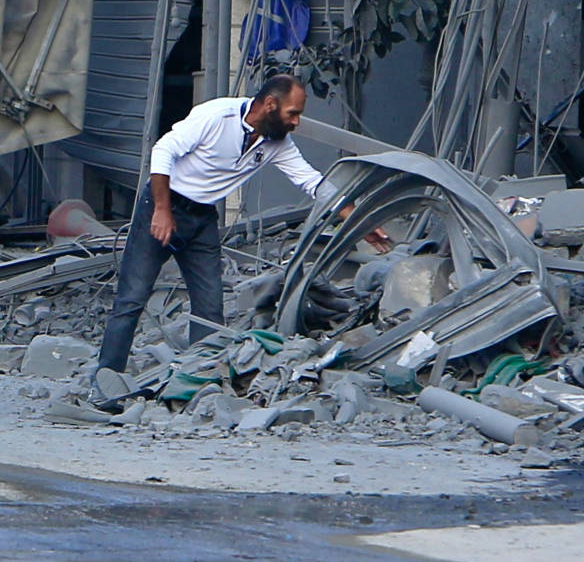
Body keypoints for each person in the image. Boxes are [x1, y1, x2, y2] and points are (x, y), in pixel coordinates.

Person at [96, 73, 387, 376]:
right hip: (162, 206)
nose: (297, 123)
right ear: (270, 105)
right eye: (293, 113)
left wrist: (358, 220)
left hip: (202, 218)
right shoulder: (216, 116)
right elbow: (163, 151)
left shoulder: (277, 142)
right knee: (131, 299)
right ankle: (106, 380)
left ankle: (199, 380)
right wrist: (161, 209)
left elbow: (312, 181)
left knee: (209, 307)